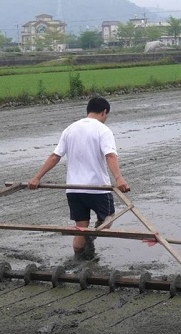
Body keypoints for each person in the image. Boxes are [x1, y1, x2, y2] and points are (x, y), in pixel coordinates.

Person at [28, 97, 129, 261]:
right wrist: (119, 179)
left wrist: (36, 177)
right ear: (104, 112)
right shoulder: (103, 130)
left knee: (80, 227)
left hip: (74, 190)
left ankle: (78, 260)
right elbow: (110, 155)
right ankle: (90, 239)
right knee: (108, 219)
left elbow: (55, 156)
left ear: (88, 111)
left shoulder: (70, 129)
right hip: (97, 188)